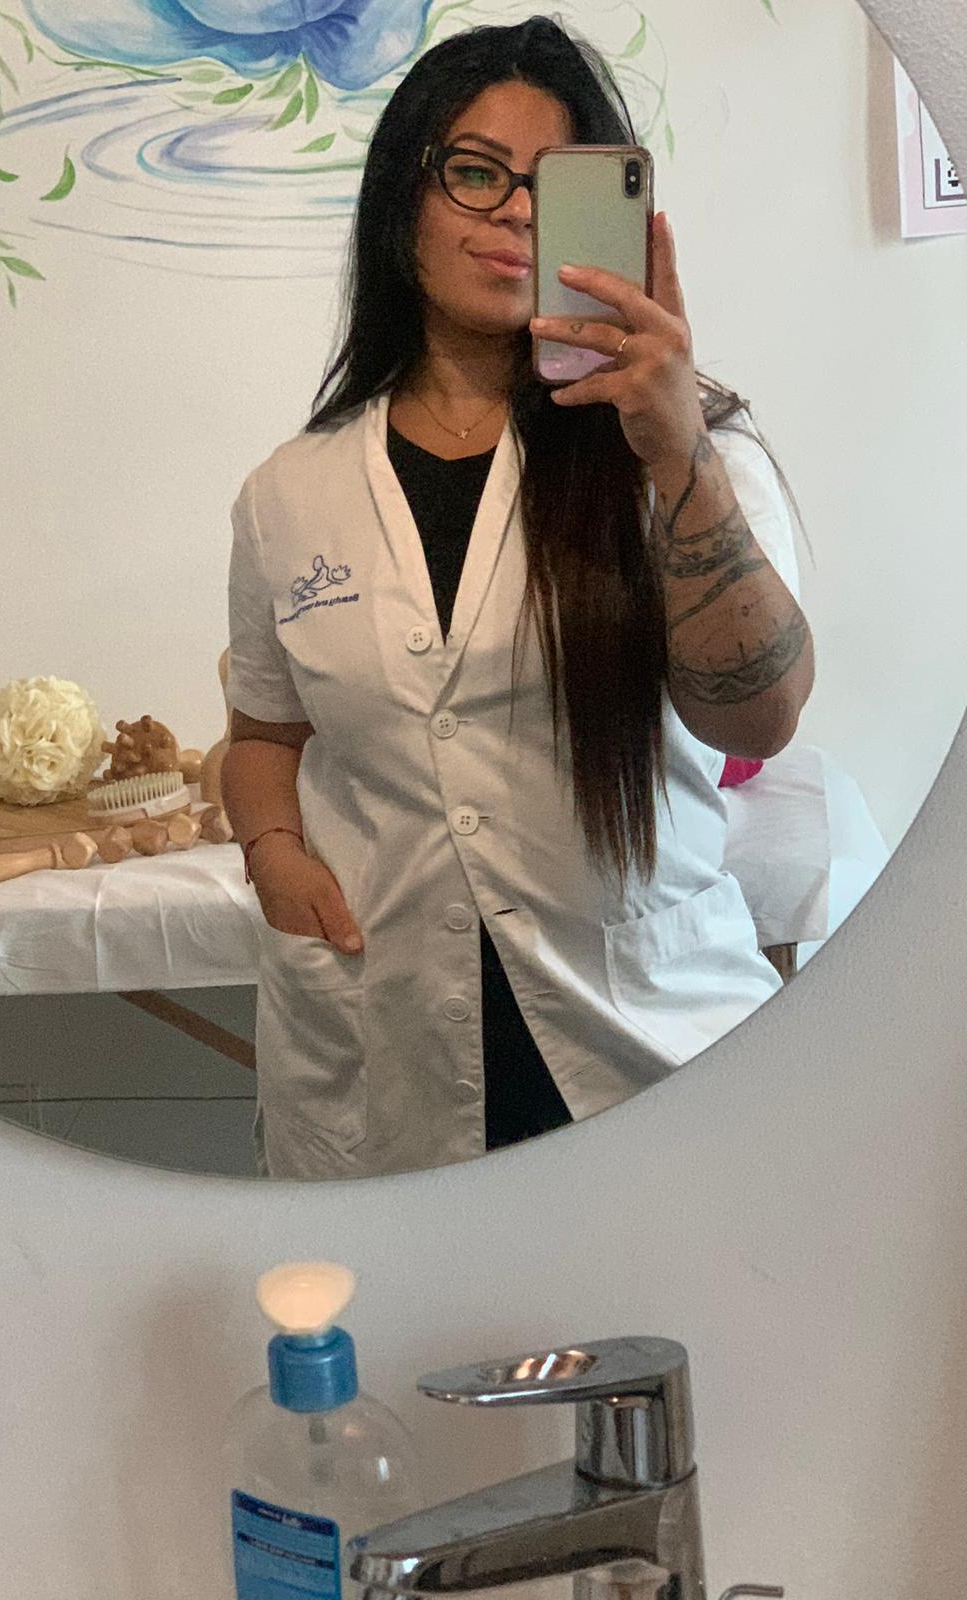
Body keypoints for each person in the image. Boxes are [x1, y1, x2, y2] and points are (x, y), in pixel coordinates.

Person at [222, 15, 814, 1181]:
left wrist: (676, 452)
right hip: (384, 1039)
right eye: (477, 172)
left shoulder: (686, 451)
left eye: (557, 185)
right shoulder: (291, 490)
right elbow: (262, 736)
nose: (517, 212)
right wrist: (275, 857)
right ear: (404, 199)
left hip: (644, 1040)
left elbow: (761, 716)